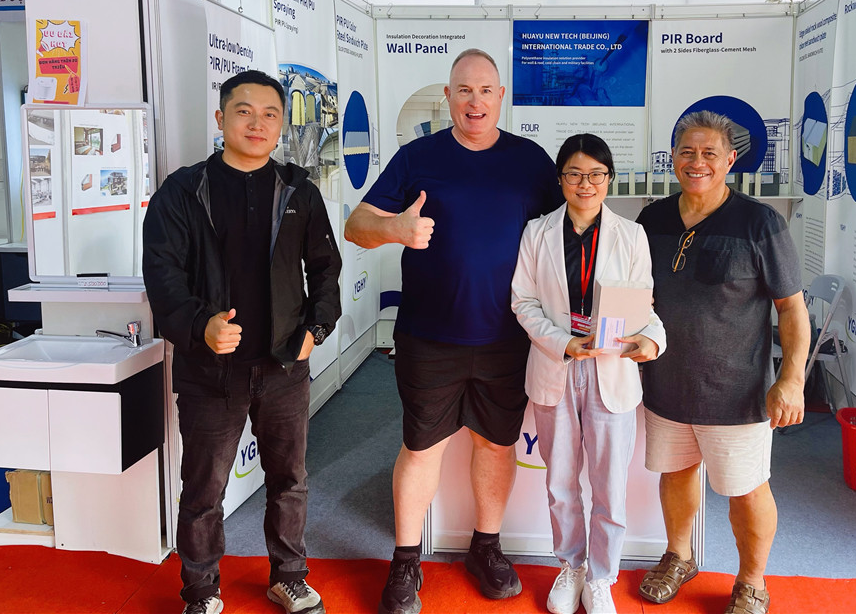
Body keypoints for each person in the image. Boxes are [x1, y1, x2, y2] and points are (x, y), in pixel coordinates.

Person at [344, 48, 562, 614]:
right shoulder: (419, 157)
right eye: (464, 90)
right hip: (429, 336)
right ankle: (405, 561)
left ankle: (485, 548)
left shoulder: (531, 162)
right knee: (421, 447)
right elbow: (356, 224)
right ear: (448, 96)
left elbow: (568, 231)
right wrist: (396, 228)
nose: (475, 101)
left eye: (486, 90)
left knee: (497, 444)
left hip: (508, 337)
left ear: (501, 97)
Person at [143, 70, 341, 614]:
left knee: (290, 480)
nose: (258, 123)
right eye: (244, 111)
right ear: (221, 118)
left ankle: (289, 576)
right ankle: (201, 591)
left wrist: (315, 330)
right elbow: (162, 275)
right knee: (203, 489)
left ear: (281, 125)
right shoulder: (183, 191)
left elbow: (325, 269)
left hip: (283, 366)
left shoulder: (300, 191)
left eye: (270, 114)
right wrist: (199, 325)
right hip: (210, 370)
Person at [635, 110, 810, 614]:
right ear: (672, 157)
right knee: (676, 474)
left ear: (730, 160)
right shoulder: (652, 220)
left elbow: (792, 309)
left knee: (746, 489)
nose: (698, 162)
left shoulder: (760, 223)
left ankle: (752, 582)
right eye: (687, 152)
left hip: (736, 391)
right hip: (665, 383)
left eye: (710, 153)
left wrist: (792, 379)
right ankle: (679, 556)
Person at [511, 134, 666, 614]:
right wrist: (563, 342)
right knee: (560, 484)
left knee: (609, 488)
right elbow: (523, 302)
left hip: (610, 369)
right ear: (560, 179)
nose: (586, 183)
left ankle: (601, 578)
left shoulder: (631, 236)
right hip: (557, 363)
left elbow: (644, 306)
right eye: (575, 174)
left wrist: (652, 339)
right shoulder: (537, 232)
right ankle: (571, 566)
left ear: (609, 179)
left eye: (596, 174)